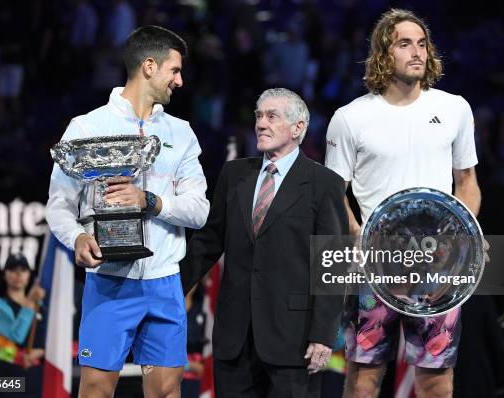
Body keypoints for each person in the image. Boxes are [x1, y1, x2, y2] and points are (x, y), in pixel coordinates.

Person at [324, 9, 482, 398]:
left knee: (437, 382)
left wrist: (463, 241)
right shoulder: (350, 118)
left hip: (439, 264)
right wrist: (357, 235)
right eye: (404, 43)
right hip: (373, 266)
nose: (417, 52)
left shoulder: (454, 109)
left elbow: (468, 184)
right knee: (363, 377)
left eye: (422, 43)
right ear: (383, 53)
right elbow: (332, 192)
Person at [45, 25, 209, 398]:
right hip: (109, 282)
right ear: (149, 66)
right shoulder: (86, 127)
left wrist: (149, 201)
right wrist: (78, 238)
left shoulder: (181, 133)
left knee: (167, 392)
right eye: (175, 70)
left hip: (165, 283)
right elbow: (58, 205)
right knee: (96, 390)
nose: (180, 81)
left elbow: (199, 210)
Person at [181, 88, 348, 397]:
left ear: (298, 127)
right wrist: (171, 289)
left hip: (294, 341)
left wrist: (324, 335)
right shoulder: (234, 174)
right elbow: (207, 242)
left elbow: (332, 266)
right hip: (234, 337)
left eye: (272, 116)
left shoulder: (324, 183)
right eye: (259, 116)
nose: (261, 123)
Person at [0, 253, 46, 397]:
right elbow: (16, 335)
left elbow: (52, 342)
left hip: (36, 376)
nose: (19, 274)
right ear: (4, 274)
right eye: (13, 269)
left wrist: (42, 352)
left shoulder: (41, 306)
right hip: (7, 376)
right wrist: (30, 301)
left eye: (23, 270)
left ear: (30, 275)